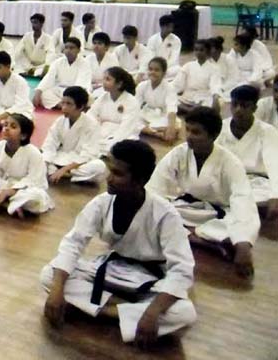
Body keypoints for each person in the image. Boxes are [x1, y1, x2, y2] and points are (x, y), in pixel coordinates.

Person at [41, 140, 197, 348]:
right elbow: (73, 243)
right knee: (48, 276)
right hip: (112, 269)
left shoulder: (165, 214)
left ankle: (99, 309)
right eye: (110, 170)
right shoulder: (101, 203)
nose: (109, 178)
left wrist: (154, 311)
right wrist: (58, 289)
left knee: (184, 313)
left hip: (150, 277)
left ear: (140, 179)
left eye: (118, 174)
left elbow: (182, 269)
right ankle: (125, 314)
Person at [146, 106, 258, 278]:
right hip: (184, 209)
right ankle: (199, 239)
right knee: (153, 213)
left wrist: (243, 243)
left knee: (232, 232)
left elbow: (242, 199)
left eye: (196, 132)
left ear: (213, 136)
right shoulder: (179, 153)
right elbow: (156, 187)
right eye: (188, 130)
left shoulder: (230, 162)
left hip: (216, 214)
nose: (189, 136)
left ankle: (187, 235)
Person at [217, 85, 278, 220]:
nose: (238, 110)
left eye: (244, 106)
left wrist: (275, 196)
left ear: (254, 108)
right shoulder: (221, 127)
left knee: (262, 195)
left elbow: (274, 165)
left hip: (258, 183)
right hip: (228, 179)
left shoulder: (267, 131)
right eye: (235, 105)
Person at [42, 86, 107, 184]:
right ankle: (63, 174)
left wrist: (64, 170)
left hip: (79, 163)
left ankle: (63, 174)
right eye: (63, 103)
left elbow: (88, 154)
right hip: (59, 158)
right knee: (39, 158)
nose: (64, 107)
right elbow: (49, 145)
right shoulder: (60, 121)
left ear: (80, 107)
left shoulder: (92, 125)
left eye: (69, 104)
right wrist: (45, 163)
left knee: (99, 166)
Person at [89, 67, 142, 155]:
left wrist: (113, 141)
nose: (104, 82)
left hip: (124, 134)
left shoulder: (131, 101)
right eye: (104, 79)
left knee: (120, 149)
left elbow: (127, 127)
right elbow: (91, 115)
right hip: (103, 131)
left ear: (119, 84)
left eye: (108, 79)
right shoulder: (103, 97)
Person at [33, 37, 91, 109]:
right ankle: (65, 105)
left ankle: (66, 104)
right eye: (66, 48)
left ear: (78, 50)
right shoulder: (58, 62)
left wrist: (70, 97)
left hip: (77, 93)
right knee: (44, 95)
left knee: (90, 99)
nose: (68, 50)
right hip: (60, 91)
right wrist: (38, 91)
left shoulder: (84, 64)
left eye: (72, 48)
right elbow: (48, 78)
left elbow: (81, 84)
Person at [0, 51, 33, 129]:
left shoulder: (20, 81)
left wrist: (0, 117)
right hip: (2, 109)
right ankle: (5, 124)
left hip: (19, 111)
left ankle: (5, 124)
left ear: (8, 67)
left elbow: (20, 105)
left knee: (22, 119)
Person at [173, 39, 221, 115]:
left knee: (212, 105)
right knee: (172, 100)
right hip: (187, 97)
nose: (198, 52)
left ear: (208, 52)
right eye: (196, 50)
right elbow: (178, 83)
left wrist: (215, 97)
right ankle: (191, 110)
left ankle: (192, 111)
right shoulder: (188, 65)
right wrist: (169, 90)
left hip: (204, 97)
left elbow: (215, 85)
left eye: (201, 50)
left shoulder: (214, 68)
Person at [137, 57, 179, 143]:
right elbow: (135, 105)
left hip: (163, 115)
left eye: (157, 70)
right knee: (132, 120)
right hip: (147, 113)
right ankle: (156, 134)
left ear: (164, 73)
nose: (152, 72)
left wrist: (171, 128)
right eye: (150, 69)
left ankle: (149, 130)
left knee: (174, 125)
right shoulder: (142, 86)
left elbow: (172, 108)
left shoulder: (169, 87)